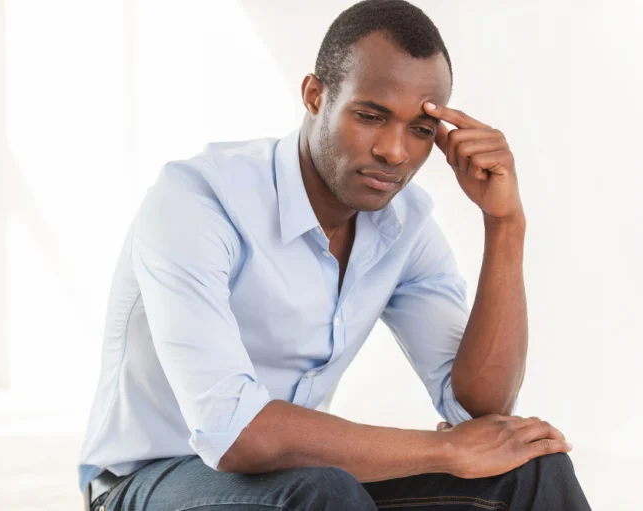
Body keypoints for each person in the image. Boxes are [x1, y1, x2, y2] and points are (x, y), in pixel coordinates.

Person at [78, 0, 591, 509]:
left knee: (532, 470)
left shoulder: (404, 225)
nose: (395, 151)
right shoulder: (199, 201)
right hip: (149, 482)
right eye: (371, 116)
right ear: (315, 96)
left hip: (300, 479)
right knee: (324, 490)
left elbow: (480, 409)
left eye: (420, 129)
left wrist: (504, 224)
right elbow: (231, 431)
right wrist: (444, 449)